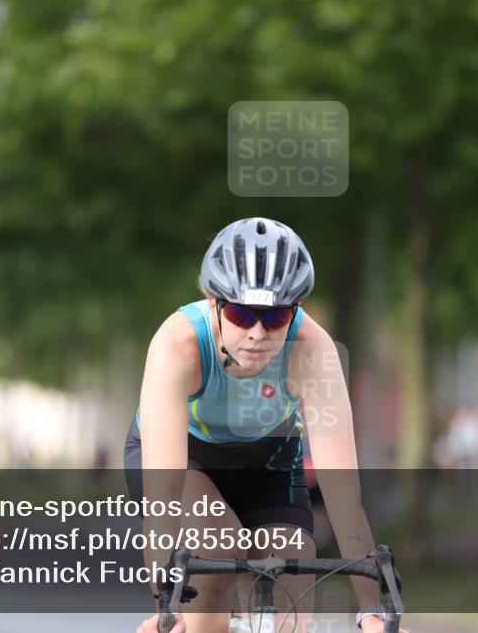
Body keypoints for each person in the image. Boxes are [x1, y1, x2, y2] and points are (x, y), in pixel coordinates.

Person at [125, 217, 408, 633]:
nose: (257, 334)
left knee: (293, 591)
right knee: (218, 547)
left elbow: (343, 495)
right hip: (187, 460)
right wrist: (165, 607)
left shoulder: (313, 351)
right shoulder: (178, 344)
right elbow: (163, 496)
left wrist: (369, 609)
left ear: (294, 313)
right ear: (213, 303)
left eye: (275, 318)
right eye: (241, 314)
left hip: (268, 467)